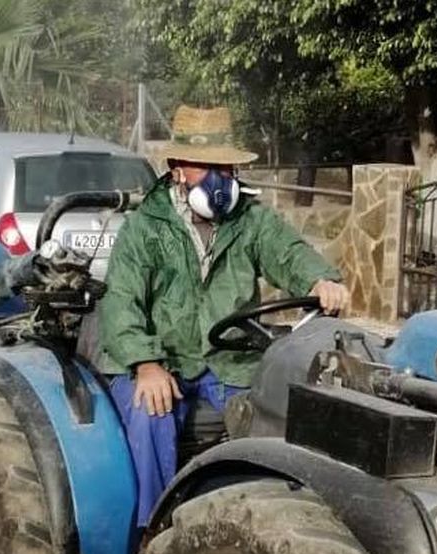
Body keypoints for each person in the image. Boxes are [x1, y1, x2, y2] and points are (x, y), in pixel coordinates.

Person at [97, 106, 350, 525]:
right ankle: (154, 529)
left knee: (287, 407)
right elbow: (121, 302)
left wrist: (320, 280)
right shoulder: (144, 227)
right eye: (207, 166)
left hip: (229, 362)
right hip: (165, 361)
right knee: (150, 412)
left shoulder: (250, 220)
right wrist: (145, 363)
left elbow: (288, 252)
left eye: (226, 166)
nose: (220, 178)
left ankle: (271, 523)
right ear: (178, 169)